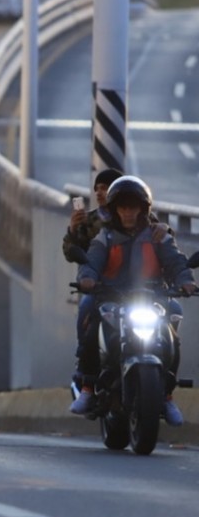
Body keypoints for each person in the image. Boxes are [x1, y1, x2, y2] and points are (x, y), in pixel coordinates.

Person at [71, 176, 196, 425]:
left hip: (152, 299)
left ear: (143, 209)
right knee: (92, 323)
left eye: (133, 207)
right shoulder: (105, 237)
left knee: (172, 331)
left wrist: (186, 280)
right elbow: (92, 262)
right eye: (123, 207)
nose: (128, 212)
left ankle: (168, 395)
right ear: (116, 210)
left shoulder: (158, 236)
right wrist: (87, 279)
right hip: (112, 298)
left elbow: (175, 261)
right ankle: (87, 387)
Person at [63, 169, 170, 408]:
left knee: (171, 317)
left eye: (106, 188)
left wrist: (166, 232)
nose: (101, 192)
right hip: (104, 290)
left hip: (143, 293)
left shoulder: (145, 220)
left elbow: (164, 245)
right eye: (98, 188)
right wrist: (72, 230)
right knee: (88, 315)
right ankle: (86, 379)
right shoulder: (91, 222)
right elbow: (73, 251)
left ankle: (167, 388)